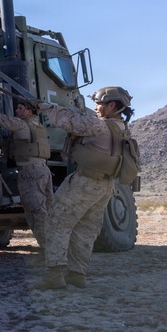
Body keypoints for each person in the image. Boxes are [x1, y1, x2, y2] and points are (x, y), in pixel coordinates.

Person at [34, 86, 135, 290]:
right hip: (105, 186)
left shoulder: (98, 127)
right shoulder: (122, 127)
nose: (96, 108)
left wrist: (45, 107)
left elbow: (67, 122)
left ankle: (54, 275)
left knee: (57, 222)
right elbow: (87, 119)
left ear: (112, 105)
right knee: (86, 230)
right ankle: (77, 275)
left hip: (85, 182)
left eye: (99, 104)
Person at [0, 96, 53, 248]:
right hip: (44, 171)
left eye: (20, 108)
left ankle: (49, 249)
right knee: (49, 210)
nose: (17, 111)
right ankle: (58, 244)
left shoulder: (20, 124)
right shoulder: (38, 126)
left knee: (35, 213)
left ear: (29, 110)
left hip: (30, 173)